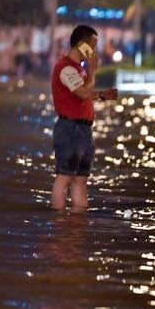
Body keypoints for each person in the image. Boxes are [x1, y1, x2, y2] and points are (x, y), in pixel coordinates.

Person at [50, 25, 118, 211]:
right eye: (92, 45)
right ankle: (59, 221)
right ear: (82, 44)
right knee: (64, 176)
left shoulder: (77, 69)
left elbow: (84, 93)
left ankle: (78, 224)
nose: (94, 51)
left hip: (83, 128)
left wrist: (102, 95)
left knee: (81, 179)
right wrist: (93, 72)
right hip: (70, 128)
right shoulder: (65, 68)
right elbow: (81, 93)